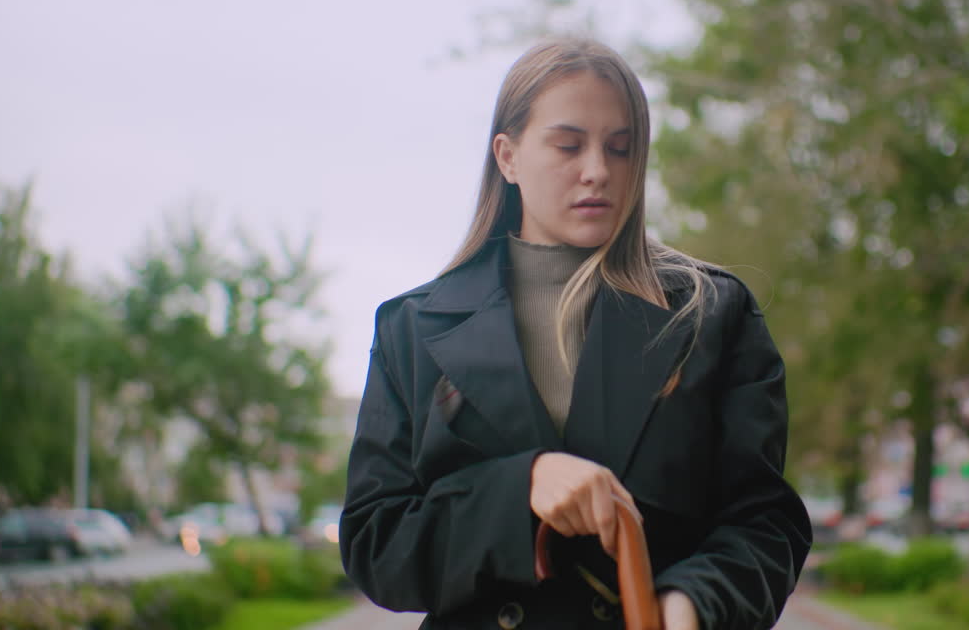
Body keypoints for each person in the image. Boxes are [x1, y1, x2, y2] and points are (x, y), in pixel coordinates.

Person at [340, 38, 811, 630]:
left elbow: (765, 523)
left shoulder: (712, 313)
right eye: (568, 145)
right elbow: (376, 546)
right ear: (507, 157)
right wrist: (521, 489)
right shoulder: (412, 328)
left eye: (621, 148)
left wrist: (692, 602)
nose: (598, 171)